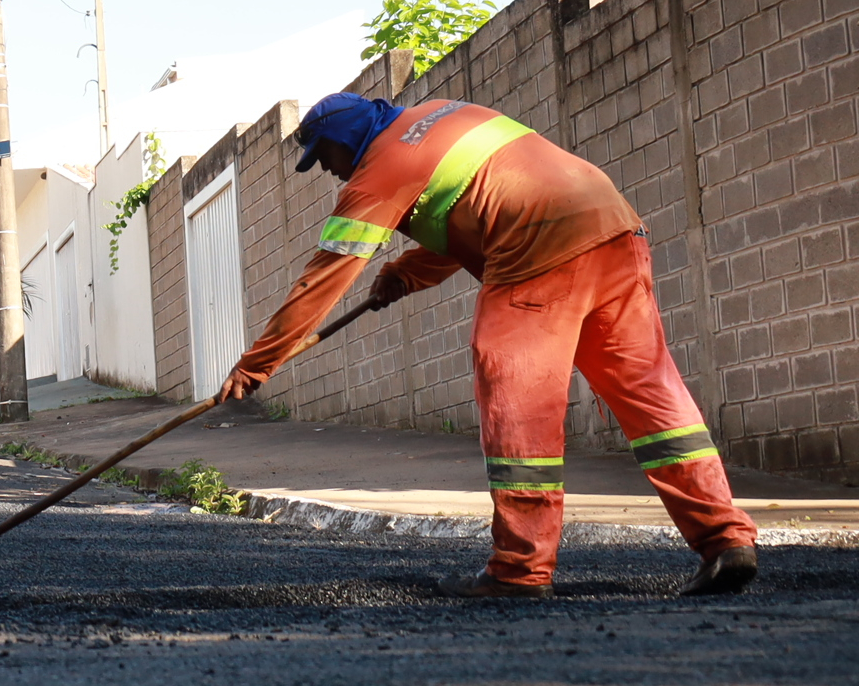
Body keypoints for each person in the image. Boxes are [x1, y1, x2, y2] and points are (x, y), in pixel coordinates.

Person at [219, 93, 757, 598]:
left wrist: (258, 363)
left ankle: (520, 569)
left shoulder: (378, 171)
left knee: (519, 407)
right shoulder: (443, 114)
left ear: (345, 138)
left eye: (325, 157)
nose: (329, 170)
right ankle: (725, 540)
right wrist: (405, 274)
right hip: (614, 230)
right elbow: (481, 208)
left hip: (539, 252)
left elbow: (324, 276)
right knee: (651, 396)